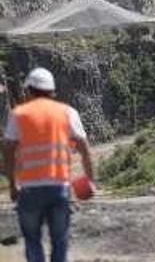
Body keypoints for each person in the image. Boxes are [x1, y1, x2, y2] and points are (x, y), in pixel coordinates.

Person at [3, 67, 95, 262]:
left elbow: (9, 151)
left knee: (32, 241)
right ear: (52, 91)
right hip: (59, 189)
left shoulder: (18, 114)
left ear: (28, 91)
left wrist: (12, 185)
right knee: (60, 241)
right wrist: (90, 180)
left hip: (29, 191)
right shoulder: (67, 112)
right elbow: (85, 148)